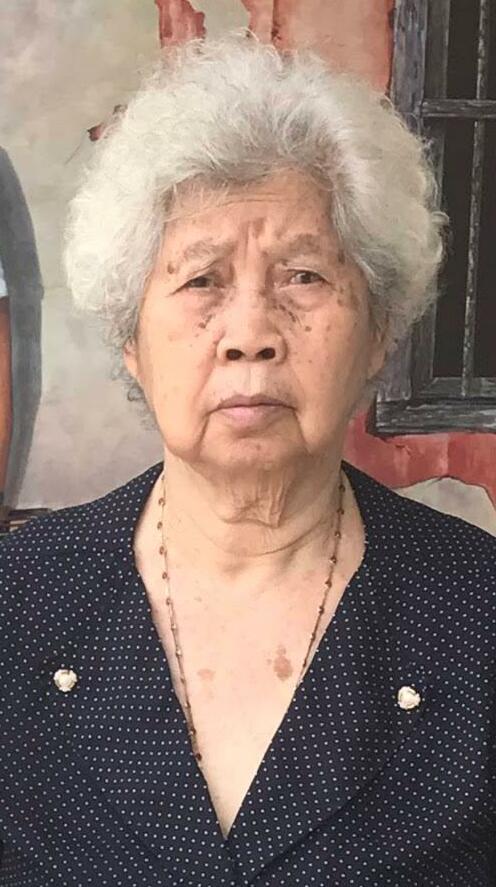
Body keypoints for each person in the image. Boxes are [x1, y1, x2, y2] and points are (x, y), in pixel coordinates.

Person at [0, 32, 494, 887]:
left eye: (303, 276)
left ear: (378, 329)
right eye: (202, 280)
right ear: (131, 339)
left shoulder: (476, 610)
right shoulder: (20, 601)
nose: (251, 334)